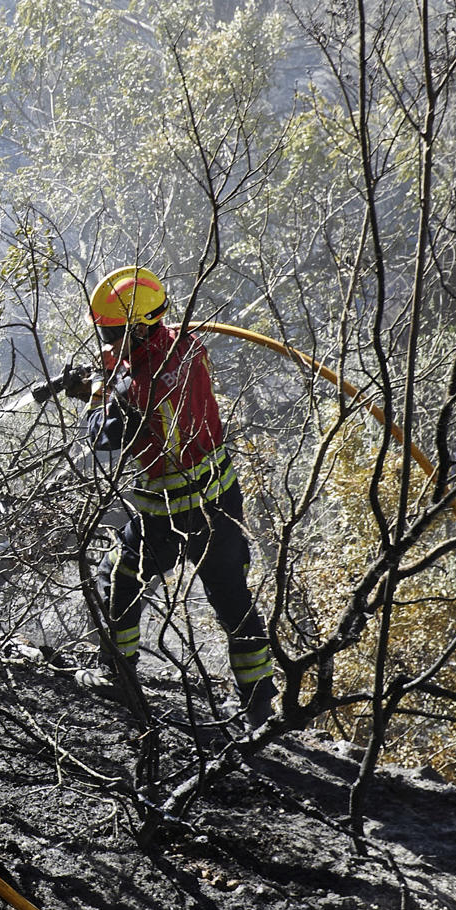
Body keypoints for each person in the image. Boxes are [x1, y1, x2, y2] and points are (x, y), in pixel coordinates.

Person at [38, 266, 279, 728]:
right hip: (222, 503)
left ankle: (119, 674)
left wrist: (92, 395)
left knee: (120, 580)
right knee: (232, 598)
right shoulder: (188, 347)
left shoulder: (140, 389)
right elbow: (150, 374)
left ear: (140, 326)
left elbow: (104, 435)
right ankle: (258, 706)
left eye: (113, 334)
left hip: (168, 513)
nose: (108, 343)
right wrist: (110, 373)